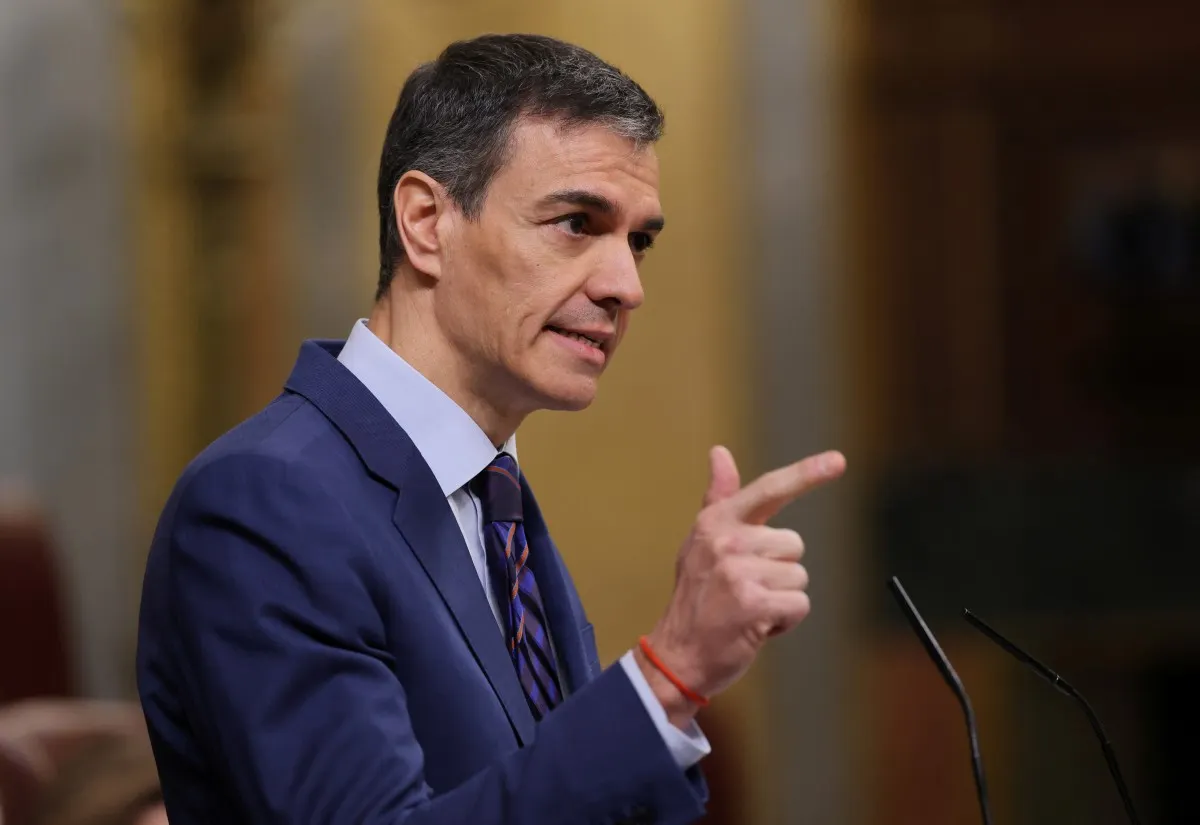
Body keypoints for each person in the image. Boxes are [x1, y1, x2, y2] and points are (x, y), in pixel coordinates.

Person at [136, 33, 845, 825]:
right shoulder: (264, 500)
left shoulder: (492, 497)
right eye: (576, 222)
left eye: (638, 240)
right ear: (426, 221)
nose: (626, 285)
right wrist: (667, 676)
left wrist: (667, 697)